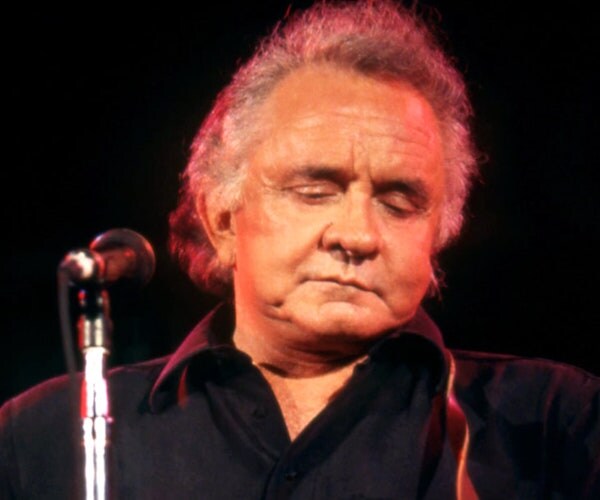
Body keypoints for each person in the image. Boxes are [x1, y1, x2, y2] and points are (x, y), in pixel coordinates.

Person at [1, 1, 598, 498]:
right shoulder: (39, 438)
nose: (357, 235)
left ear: (440, 230)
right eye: (314, 191)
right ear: (221, 217)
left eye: (398, 202)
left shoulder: (558, 423)